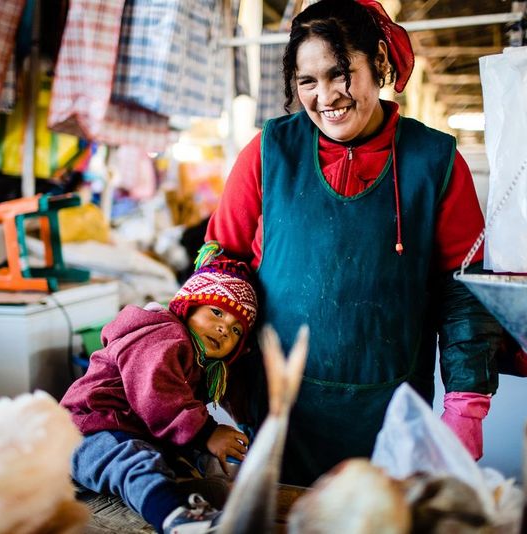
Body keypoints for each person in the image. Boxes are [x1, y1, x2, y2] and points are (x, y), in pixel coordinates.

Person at [206, 0, 504, 486]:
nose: (326, 96)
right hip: (280, 410)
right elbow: (220, 264)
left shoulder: (436, 160)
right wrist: (211, 372)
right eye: (308, 81)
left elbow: (464, 291)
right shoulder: (267, 152)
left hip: (391, 413)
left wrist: (466, 405)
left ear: (378, 64)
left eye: (341, 73)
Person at [60, 244, 257, 533]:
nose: (224, 329)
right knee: (135, 462)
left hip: (125, 430)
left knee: (181, 456)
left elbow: (181, 406)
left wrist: (206, 442)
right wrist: (206, 433)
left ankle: (202, 493)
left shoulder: (196, 361)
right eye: (216, 312)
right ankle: (175, 517)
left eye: (236, 329)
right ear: (190, 305)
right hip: (88, 431)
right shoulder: (165, 334)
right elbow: (158, 395)